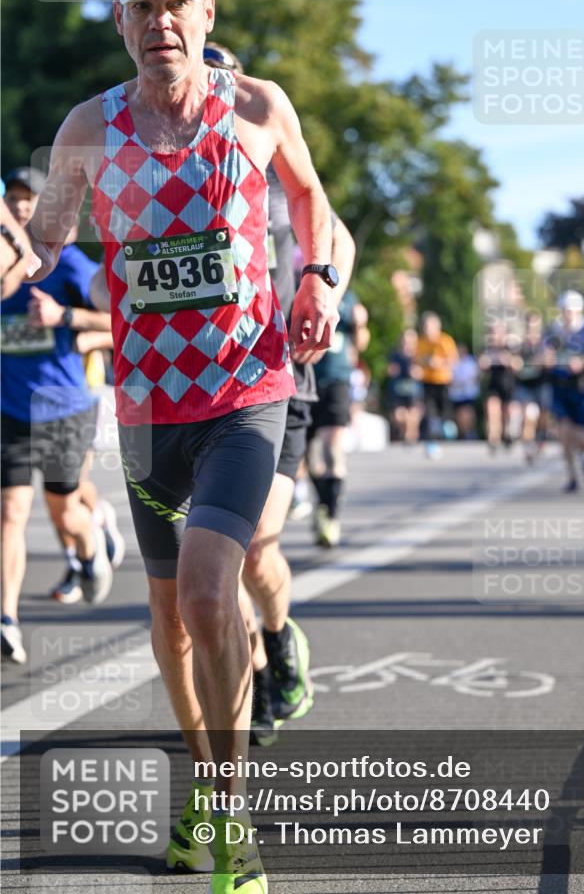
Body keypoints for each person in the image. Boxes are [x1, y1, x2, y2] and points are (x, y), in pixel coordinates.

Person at [25, 0, 339, 894]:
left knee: (210, 590)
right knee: (167, 616)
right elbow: (43, 244)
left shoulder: (256, 106)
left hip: (248, 389)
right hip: (148, 407)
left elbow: (310, 199)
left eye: (177, 7)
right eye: (141, 9)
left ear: (206, 18)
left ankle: (230, 812)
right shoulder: (88, 127)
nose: (160, 23)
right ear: (121, 26)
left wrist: (318, 277)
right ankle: (203, 784)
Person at [201, 42, 357, 747]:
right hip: (195, 385)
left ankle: (274, 628)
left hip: (277, 377)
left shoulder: (266, 170)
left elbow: (337, 242)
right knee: (216, 548)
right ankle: (256, 675)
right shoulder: (169, 177)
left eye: (224, 75)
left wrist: (319, 287)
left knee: (257, 544)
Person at [1, 170, 115, 663]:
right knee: (10, 514)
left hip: (66, 409)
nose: (23, 209)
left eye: (31, 201)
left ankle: (90, 547)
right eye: (15, 200)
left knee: (65, 513)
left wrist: (65, 319)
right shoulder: (4, 269)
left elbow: (119, 320)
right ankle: (6, 619)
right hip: (10, 412)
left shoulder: (67, 266)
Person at [308, 289, 369, 547]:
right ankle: (324, 501)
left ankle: (331, 516)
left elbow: (362, 343)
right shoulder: (305, 283)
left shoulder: (349, 297)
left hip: (338, 379)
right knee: (308, 457)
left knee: (332, 445)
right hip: (307, 377)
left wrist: (361, 322)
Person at [543, 290, 584, 492]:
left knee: (579, 433)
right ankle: (572, 477)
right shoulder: (555, 329)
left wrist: (583, 362)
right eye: (563, 310)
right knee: (563, 433)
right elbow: (545, 353)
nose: (566, 314)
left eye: (569, 310)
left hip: (580, 386)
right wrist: (547, 359)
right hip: (559, 385)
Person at [416, 311, 458, 457]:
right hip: (427, 382)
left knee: (444, 412)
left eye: (430, 326)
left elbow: (453, 360)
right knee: (430, 412)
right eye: (425, 326)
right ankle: (431, 441)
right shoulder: (421, 342)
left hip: (443, 381)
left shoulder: (445, 341)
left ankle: (448, 429)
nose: (427, 329)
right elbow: (417, 360)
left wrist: (439, 363)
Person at [478, 320, 519, 453]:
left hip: (509, 385)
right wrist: (484, 363)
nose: (495, 336)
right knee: (492, 409)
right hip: (493, 385)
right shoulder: (487, 349)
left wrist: (508, 360)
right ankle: (493, 439)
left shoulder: (511, 347)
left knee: (508, 412)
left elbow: (518, 365)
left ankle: (508, 434)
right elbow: (481, 365)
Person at [514, 311, 549, 464]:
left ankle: (541, 438)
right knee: (528, 415)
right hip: (525, 386)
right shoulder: (519, 344)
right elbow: (515, 362)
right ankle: (528, 448)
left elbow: (548, 360)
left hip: (542, 384)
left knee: (543, 417)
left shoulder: (546, 344)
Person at [386, 328, 423, 444]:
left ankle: (411, 437)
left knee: (413, 415)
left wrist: (417, 372)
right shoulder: (394, 356)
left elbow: (423, 372)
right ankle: (405, 435)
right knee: (400, 416)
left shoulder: (418, 356)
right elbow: (389, 370)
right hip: (398, 394)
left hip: (414, 394)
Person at [449, 342, 479, 440]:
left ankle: (470, 431)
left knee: (468, 413)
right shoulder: (452, 362)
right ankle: (462, 433)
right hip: (457, 394)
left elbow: (473, 376)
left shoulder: (470, 362)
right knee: (459, 415)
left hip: (468, 393)